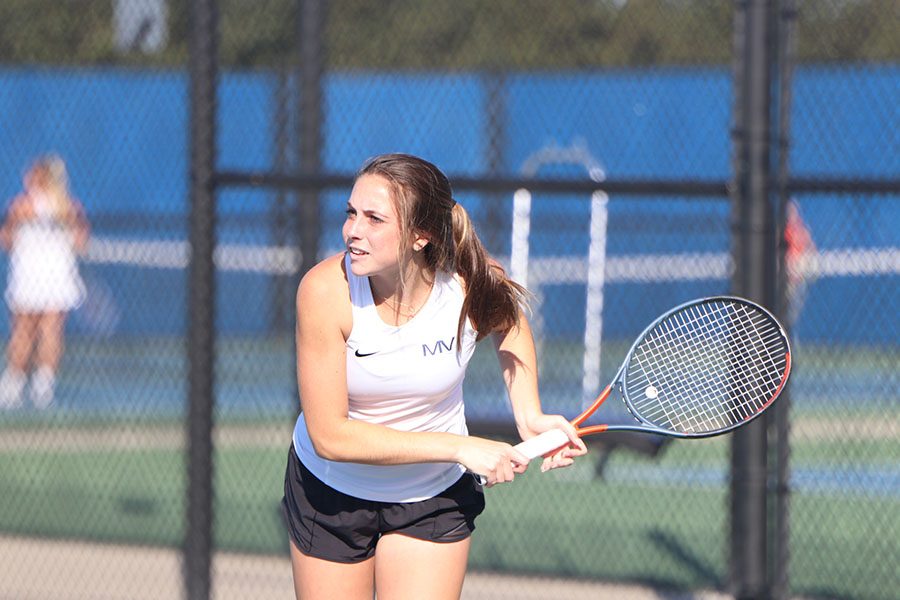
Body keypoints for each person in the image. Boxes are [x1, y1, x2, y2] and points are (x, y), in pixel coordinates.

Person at [282, 153, 587, 599]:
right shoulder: (324, 291)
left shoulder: (467, 282)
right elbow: (330, 436)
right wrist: (461, 448)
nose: (353, 230)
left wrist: (530, 414)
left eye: (374, 218)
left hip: (432, 499)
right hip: (331, 492)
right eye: (351, 213)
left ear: (420, 236)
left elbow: (510, 322)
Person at [0, 155, 89, 409]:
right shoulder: (69, 207)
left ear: (40, 177)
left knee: (24, 330)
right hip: (51, 276)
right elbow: (82, 241)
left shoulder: (22, 206)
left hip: (34, 275)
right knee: (49, 330)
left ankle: (17, 384)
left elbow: (6, 240)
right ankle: (41, 385)